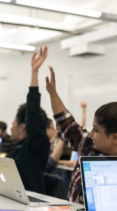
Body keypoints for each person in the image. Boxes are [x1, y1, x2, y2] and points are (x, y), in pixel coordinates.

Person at [46, 66, 117, 204]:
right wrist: (52, 93)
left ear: (115, 138)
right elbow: (69, 126)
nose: (91, 133)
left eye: (96, 130)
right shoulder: (91, 148)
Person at [7, 46, 50, 195]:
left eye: (13, 124)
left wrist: (34, 72)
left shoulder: (36, 145)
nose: (10, 129)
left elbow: (32, 114)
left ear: (23, 126)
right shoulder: (19, 148)